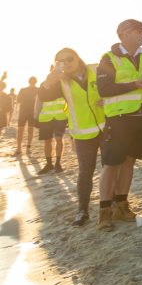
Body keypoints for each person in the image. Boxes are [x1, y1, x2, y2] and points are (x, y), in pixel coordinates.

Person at [95, 19, 142, 230]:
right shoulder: (108, 58)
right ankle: (105, 212)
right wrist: (133, 85)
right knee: (111, 164)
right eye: (138, 31)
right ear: (124, 34)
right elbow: (104, 89)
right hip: (119, 119)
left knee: (129, 162)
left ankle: (122, 205)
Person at [39, 49, 107, 226]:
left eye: (69, 58)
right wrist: (48, 82)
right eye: (61, 61)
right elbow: (44, 96)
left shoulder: (96, 69)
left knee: (109, 169)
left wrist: (108, 100)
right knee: (85, 172)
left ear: (77, 57)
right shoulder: (59, 81)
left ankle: (110, 205)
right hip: (83, 133)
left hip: (106, 127)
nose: (67, 63)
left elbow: (111, 87)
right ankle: (82, 210)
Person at [36, 75, 68, 174]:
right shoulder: (44, 86)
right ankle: (49, 164)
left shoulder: (62, 85)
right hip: (46, 118)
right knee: (47, 141)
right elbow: (39, 101)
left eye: (55, 76)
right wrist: (36, 116)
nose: (53, 78)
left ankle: (58, 163)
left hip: (60, 117)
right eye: (51, 76)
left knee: (59, 139)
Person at [15, 77, 39, 157]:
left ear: (35, 82)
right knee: (21, 130)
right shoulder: (23, 90)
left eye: (33, 81)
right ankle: (20, 148)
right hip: (24, 112)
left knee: (27, 130)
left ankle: (25, 148)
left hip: (31, 112)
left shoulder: (38, 90)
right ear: (29, 82)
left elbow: (40, 101)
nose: (32, 82)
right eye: (31, 81)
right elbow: (18, 100)